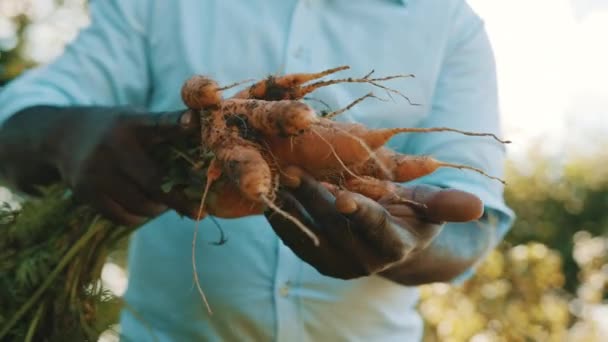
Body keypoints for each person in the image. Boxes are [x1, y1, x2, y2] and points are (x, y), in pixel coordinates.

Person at [0, 0, 514, 340]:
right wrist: (69, 134)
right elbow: (15, 123)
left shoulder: (449, 22)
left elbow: (474, 214)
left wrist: (413, 239)